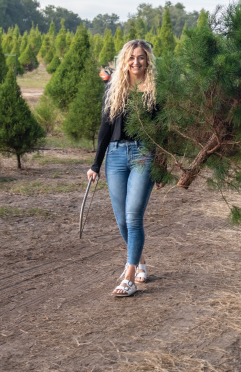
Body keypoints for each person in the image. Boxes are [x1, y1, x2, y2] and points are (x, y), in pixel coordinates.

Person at [86, 39, 159, 297]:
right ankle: (138, 260)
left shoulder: (154, 89)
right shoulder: (114, 86)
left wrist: (162, 165)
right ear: (124, 60)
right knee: (121, 221)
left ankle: (129, 276)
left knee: (133, 215)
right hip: (115, 156)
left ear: (147, 59)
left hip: (143, 154)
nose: (136, 62)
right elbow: (105, 127)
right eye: (131, 57)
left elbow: (163, 131)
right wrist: (96, 163)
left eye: (140, 57)